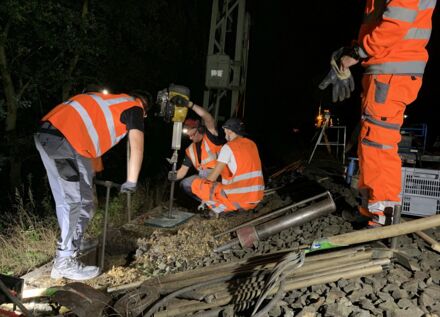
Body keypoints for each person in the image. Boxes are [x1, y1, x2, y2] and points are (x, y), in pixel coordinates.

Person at [319, 0, 436, 227]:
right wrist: (353, 50)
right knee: (371, 142)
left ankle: (383, 215)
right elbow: (379, 25)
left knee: (379, 142)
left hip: (392, 70)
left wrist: (358, 51)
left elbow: (395, 25)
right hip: (385, 68)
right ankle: (372, 210)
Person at [34, 89, 151, 280]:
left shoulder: (111, 102)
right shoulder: (135, 107)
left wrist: (91, 176)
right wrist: (131, 180)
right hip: (61, 139)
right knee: (73, 202)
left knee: (86, 201)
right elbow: (137, 144)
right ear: (144, 111)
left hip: (59, 137)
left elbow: (91, 145)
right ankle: (63, 262)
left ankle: (73, 244)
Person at [191, 118, 265, 216]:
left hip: (239, 201)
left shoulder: (228, 147)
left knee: (196, 184)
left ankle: (220, 209)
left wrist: (204, 195)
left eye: (225, 132)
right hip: (256, 198)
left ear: (229, 131)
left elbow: (212, 177)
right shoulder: (252, 144)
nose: (225, 135)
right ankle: (230, 205)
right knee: (225, 176)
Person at [167, 99, 225, 199]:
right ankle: (207, 203)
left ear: (200, 129)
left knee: (215, 188)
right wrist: (174, 176)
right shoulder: (190, 150)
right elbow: (183, 171)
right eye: (188, 136)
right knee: (185, 184)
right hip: (203, 177)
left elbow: (208, 118)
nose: (191, 138)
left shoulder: (211, 136)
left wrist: (190, 105)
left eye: (192, 135)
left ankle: (219, 201)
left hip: (219, 175)